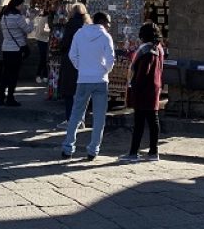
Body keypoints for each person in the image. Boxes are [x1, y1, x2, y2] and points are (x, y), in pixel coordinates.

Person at [61, 11, 115, 161]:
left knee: (76, 114)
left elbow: (72, 55)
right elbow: (111, 60)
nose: (109, 25)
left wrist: (82, 67)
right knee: (99, 117)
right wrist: (104, 70)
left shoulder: (79, 33)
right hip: (100, 80)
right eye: (108, 22)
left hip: (83, 79)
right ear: (103, 22)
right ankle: (93, 150)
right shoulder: (106, 37)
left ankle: (68, 147)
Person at [119, 21, 164, 163]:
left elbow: (143, 72)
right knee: (153, 120)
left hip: (143, 88)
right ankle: (153, 151)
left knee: (139, 122)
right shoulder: (159, 48)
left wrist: (134, 87)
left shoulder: (146, 50)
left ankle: (133, 152)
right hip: (155, 86)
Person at [57, 3, 89, 126]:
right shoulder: (87, 25)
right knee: (81, 93)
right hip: (85, 61)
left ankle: (71, 119)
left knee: (69, 92)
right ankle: (81, 119)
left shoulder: (71, 25)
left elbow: (65, 44)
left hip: (70, 62)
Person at [0, 0, 31, 107]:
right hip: (16, 49)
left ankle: (1, 97)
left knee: (5, 74)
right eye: (21, 5)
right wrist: (31, 20)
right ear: (17, 5)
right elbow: (28, 30)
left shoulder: (4, 17)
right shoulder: (18, 17)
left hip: (6, 48)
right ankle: (10, 97)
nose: (22, 7)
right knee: (14, 75)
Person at [30, 7, 51, 84]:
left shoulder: (44, 18)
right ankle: (39, 75)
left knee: (44, 59)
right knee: (43, 58)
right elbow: (43, 31)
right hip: (42, 40)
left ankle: (44, 76)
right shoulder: (46, 19)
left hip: (43, 40)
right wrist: (51, 33)